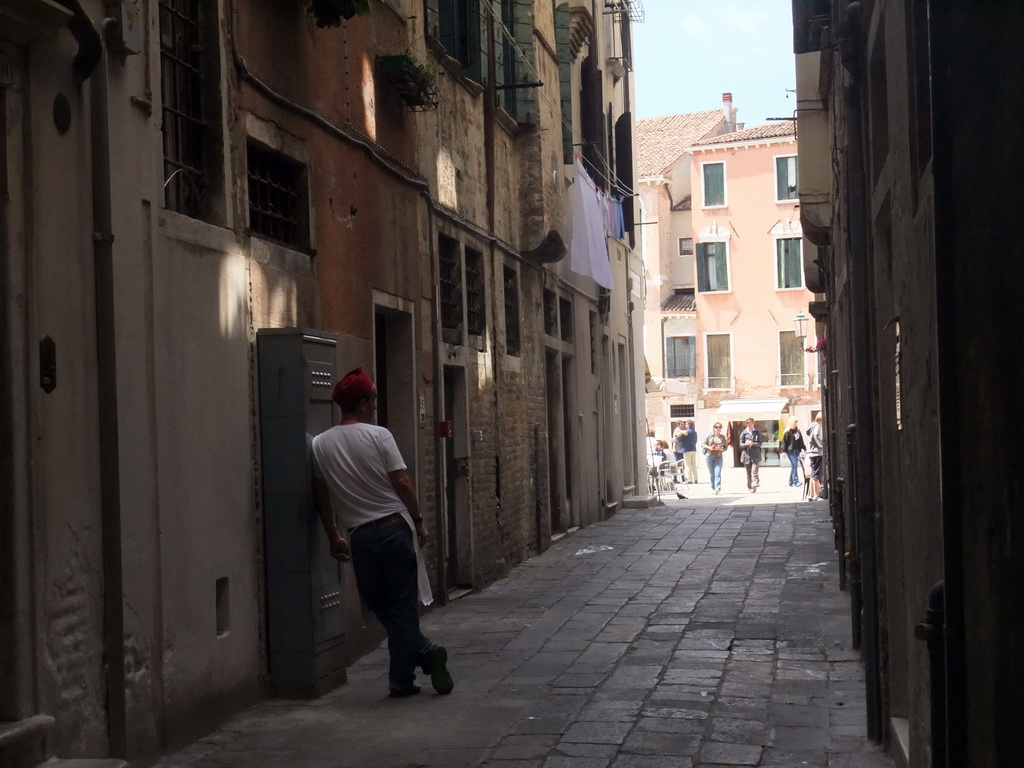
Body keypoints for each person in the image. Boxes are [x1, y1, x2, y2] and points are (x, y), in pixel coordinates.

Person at [311, 368, 454, 699]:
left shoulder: (320, 445)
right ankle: (424, 654)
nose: (376, 405)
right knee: (400, 606)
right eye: (373, 398)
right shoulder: (379, 436)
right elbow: (401, 481)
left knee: (379, 604)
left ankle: (404, 676)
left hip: (360, 537)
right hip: (393, 527)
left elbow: (321, 495)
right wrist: (418, 521)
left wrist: (333, 534)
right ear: (362, 403)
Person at [702, 422, 728, 495]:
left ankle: (718, 488)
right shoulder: (709, 436)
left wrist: (721, 448)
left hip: (718, 457)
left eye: (720, 427)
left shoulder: (722, 437)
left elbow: (725, 447)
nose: (718, 428)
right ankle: (713, 488)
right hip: (709, 456)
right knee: (712, 474)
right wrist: (710, 447)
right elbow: (703, 444)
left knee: (717, 472)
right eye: (717, 427)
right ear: (714, 428)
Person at [781, 418, 806, 488]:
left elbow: (801, 441)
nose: (796, 424)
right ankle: (796, 481)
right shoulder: (788, 432)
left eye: (796, 422)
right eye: (795, 422)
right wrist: (783, 451)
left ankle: (791, 481)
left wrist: (804, 448)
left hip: (797, 450)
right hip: (790, 451)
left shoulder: (798, 431)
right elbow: (784, 442)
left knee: (794, 466)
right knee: (794, 465)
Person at [739, 417, 762, 493]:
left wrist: (753, 444)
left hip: (755, 454)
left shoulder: (757, 431)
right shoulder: (744, 433)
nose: (750, 425)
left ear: (753, 423)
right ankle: (749, 486)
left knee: (754, 470)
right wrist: (745, 444)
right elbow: (741, 444)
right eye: (748, 423)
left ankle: (755, 482)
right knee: (748, 472)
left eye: (751, 423)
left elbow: (760, 443)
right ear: (746, 424)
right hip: (746, 454)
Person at [806, 413, 825, 501]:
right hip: (816, 453)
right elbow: (815, 437)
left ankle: (811, 494)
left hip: (812, 453)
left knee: (813, 474)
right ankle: (816, 495)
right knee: (816, 475)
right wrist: (821, 445)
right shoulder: (817, 427)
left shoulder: (812, 427)